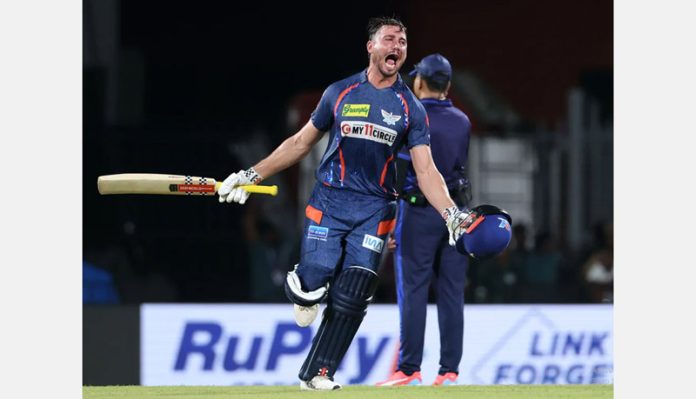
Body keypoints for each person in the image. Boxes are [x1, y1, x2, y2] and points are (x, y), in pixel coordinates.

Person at [217, 17, 479, 391]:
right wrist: (251, 174)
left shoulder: (410, 107)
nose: (398, 47)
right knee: (314, 280)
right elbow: (299, 143)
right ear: (370, 47)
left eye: (403, 42)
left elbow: (426, 169)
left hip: (376, 208)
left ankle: (318, 373)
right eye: (390, 39)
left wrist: (451, 213)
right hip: (331, 199)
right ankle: (304, 287)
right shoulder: (340, 92)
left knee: (354, 291)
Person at [375, 53, 472, 386]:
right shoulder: (462, 120)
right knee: (451, 293)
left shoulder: (409, 118)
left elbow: (397, 175)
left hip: (417, 212)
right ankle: (449, 372)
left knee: (413, 291)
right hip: (455, 213)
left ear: (418, 81)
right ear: (448, 84)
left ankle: (409, 369)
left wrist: (389, 221)